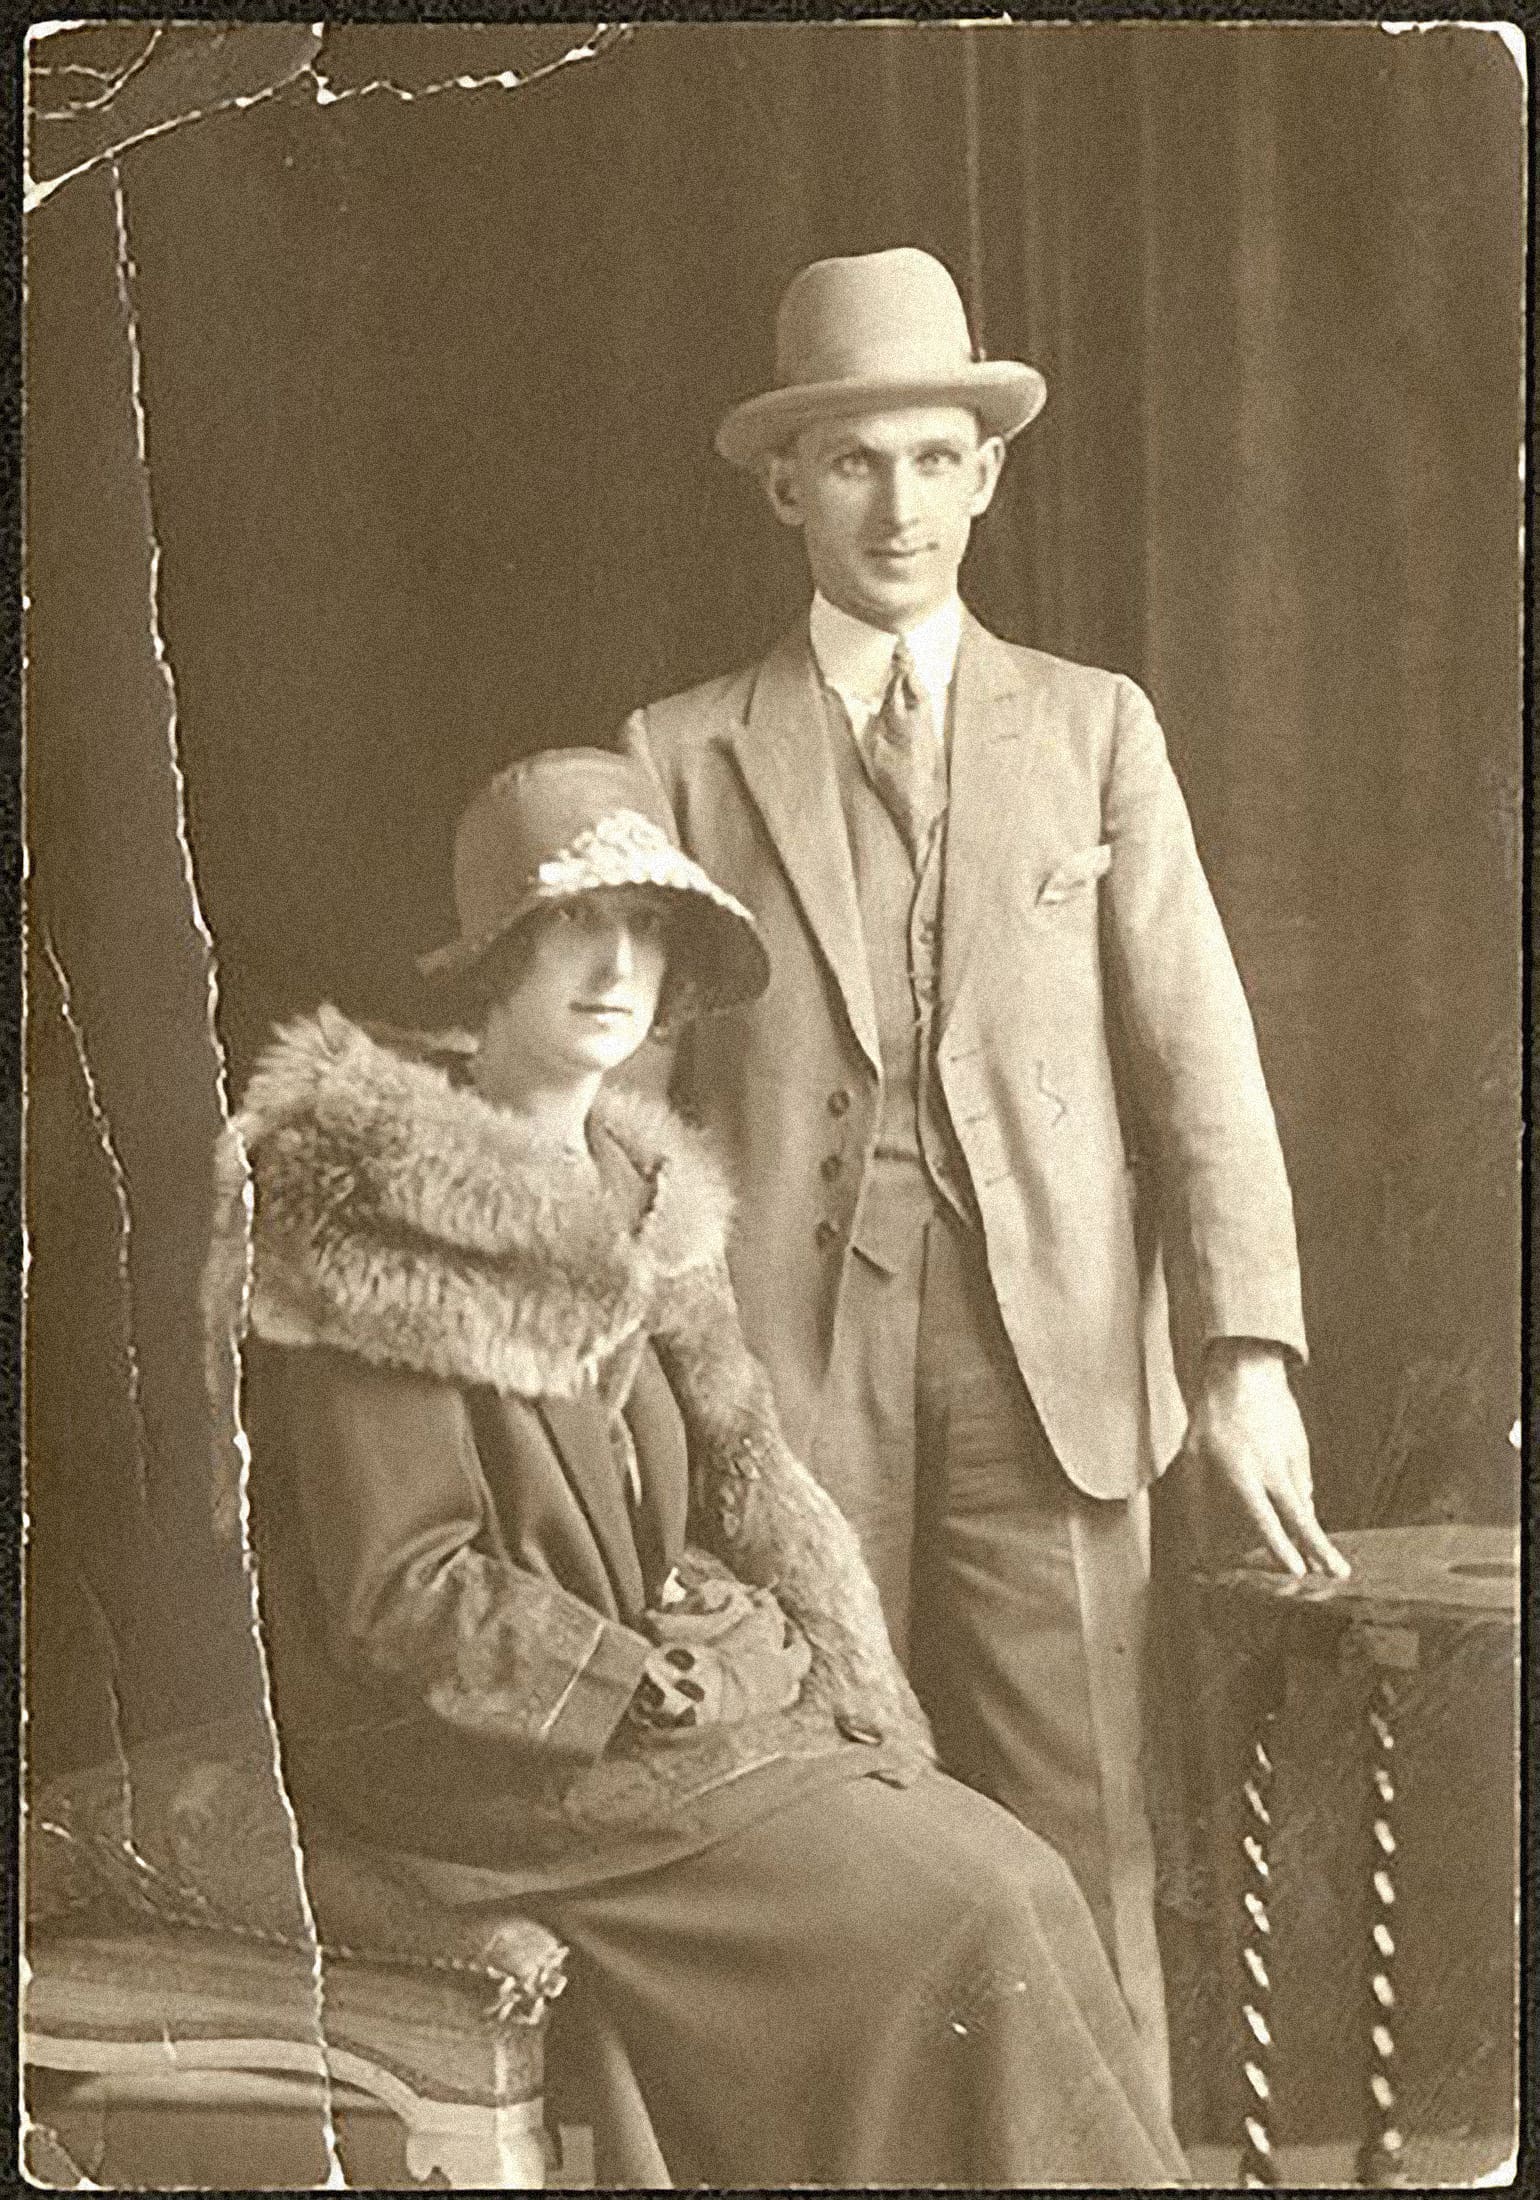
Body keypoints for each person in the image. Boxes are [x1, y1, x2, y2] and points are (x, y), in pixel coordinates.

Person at [213, 746, 1187, 2188]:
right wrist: (633, 1682)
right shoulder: (373, 1209)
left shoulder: (646, 1195)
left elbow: (712, 1503)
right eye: (574, 925)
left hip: (658, 1727)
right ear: (494, 956)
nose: (618, 966)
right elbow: (399, 1597)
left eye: (650, 928)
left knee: (1021, 1876)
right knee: (964, 1912)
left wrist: (751, 1639)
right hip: (474, 1763)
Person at [614, 245, 1351, 2097]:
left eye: (933, 459)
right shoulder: (682, 756)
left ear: (989, 474)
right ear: (786, 483)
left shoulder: (1095, 730)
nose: (898, 506)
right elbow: (626, 1115)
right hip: (782, 1379)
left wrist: (1244, 1360)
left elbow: (1202, 1060)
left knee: (1084, 1834)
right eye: (853, 462)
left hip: (1056, 1363)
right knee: (819, 1828)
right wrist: (654, 1401)